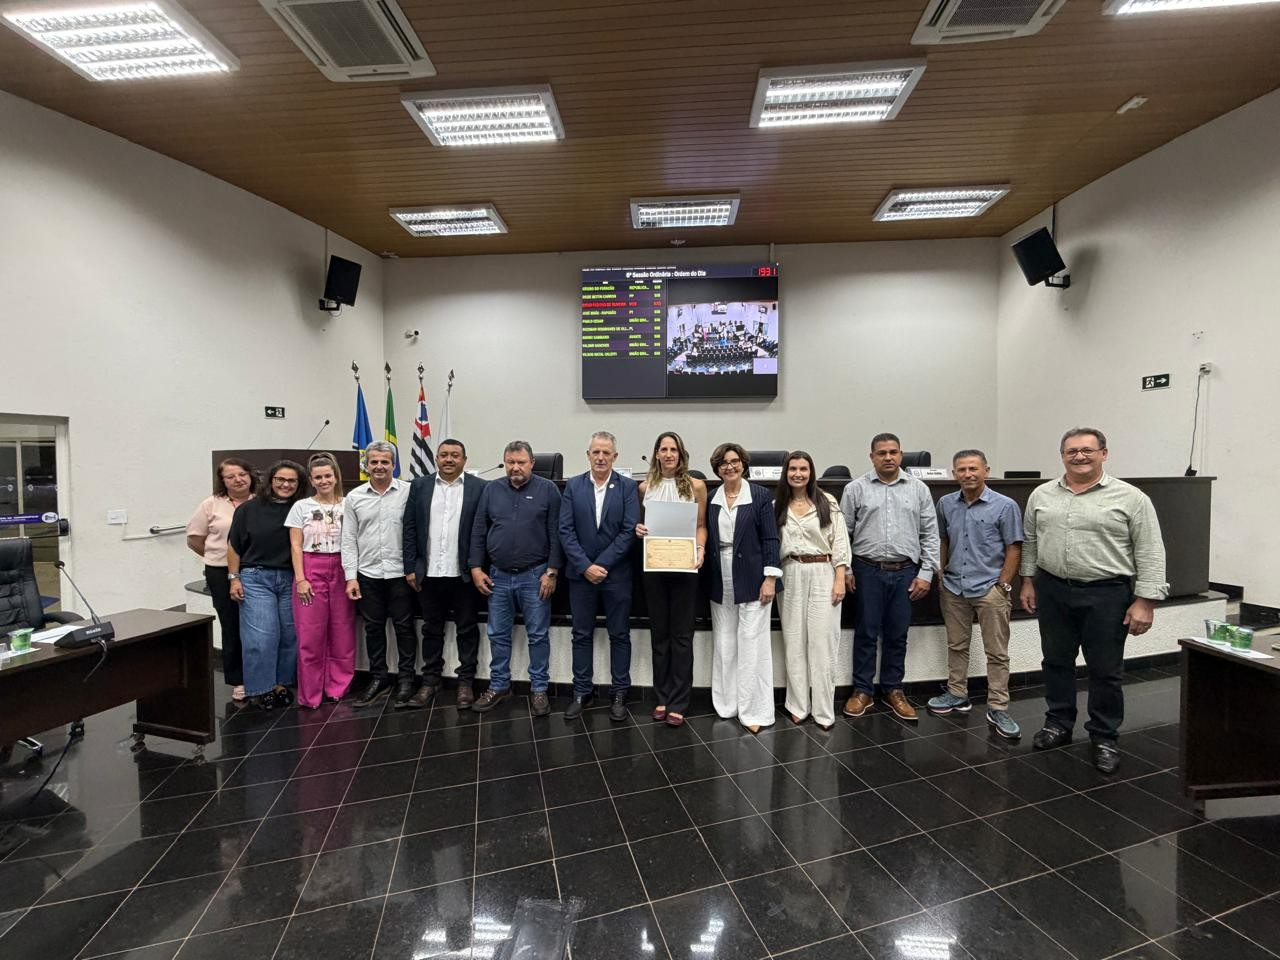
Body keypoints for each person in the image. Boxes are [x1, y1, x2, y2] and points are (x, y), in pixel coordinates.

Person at [1019, 427, 1168, 773]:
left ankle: (1104, 736)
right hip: (1053, 589)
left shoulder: (1132, 498)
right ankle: (1058, 723)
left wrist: (1145, 600)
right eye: (1071, 451)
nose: (1079, 456)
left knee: (1105, 669)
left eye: (1087, 450)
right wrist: (1028, 582)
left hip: (1107, 593)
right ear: (1062, 456)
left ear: (1104, 453)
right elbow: (1030, 542)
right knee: (1056, 661)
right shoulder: (1042, 495)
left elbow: (1150, 550)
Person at [840, 433, 940, 722]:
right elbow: (842, 534)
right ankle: (862, 691)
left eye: (893, 452)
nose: (888, 457)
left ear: (901, 454)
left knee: (897, 635)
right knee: (866, 633)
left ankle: (893, 689)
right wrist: (846, 569)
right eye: (881, 452)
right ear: (871, 456)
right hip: (866, 570)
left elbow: (930, 534)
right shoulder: (855, 488)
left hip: (906, 572)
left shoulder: (918, 489)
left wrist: (926, 573)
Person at [927, 449, 1024, 739]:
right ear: (954, 473)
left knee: (996, 652)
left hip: (989, 589)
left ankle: (998, 706)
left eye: (973, 469)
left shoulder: (1005, 506)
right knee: (957, 645)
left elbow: (1014, 548)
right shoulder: (945, 504)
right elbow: (942, 539)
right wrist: (941, 574)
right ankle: (957, 693)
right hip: (954, 587)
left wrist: (1003, 586)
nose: (968, 474)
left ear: (986, 470)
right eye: (961, 470)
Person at [469, 441, 563, 716]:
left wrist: (552, 571)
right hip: (497, 576)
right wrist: (476, 567)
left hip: (536, 576)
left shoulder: (548, 490)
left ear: (532, 463)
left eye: (521, 462)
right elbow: (478, 531)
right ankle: (499, 686)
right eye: (510, 462)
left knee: (537, 636)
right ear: (504, 462)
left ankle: (539, 689)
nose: (515, 467)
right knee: (498, 635)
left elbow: (558, 535)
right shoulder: (491, 489)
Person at [558, 431, 640, 722]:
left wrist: (601, 565)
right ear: (588, 455)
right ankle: (582, 692)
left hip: (616, 575)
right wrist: (585, 567)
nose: (601, 457)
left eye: (607, 453)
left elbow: (629, 529)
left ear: (615, 457)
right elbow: (565, 531)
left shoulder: (628, 487)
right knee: (581, 635)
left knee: (619, 635)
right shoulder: (573, 486)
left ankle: (619, 693)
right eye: (596, 452)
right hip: (581, 577)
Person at [402, 438, 486, 710]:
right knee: (431, 629)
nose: (449, 460)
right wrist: (410, 567)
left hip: (463, 574)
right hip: (428, 573)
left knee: (467, 629)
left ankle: (465, 683)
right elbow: (410, 528)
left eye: (455, 455)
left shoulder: (480, 488)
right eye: (444, 455)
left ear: (464, 459)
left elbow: (482, 532)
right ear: (436, 458)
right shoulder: (420, 486)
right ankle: (430, 681)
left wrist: (477, 565)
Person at [704, 443, 780, 734]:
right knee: (724, 643)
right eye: (723, 463)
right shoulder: (711, 498)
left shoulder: (759, 495)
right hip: (719, 576)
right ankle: (727, 705)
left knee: (752, 643)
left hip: (754, 577)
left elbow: (771, 539)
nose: (729, 466)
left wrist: (770, 578)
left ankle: (754, 710)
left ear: (743, 464)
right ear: (717, 468)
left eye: (734, 461)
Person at [636, 431, 707, 728]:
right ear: (655, 454)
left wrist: (700, 548)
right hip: (654, 568)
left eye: (673, 449)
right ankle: (662, 697)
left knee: (681, 636)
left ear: (681, 454)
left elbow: (701, 526)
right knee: (660, 634)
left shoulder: (697, 486)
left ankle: (679, 700)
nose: (668, 454)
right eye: (663, 449)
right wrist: (639, 530)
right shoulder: (644, 487)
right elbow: (642, 524)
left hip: (685, 567)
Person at [774, 451, 850, 730]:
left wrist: (840, 576)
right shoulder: (777, 505)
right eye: (792, 468)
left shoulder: (826, 501)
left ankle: (823, 709)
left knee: (822, 644)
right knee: (793, 642)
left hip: (823, 572)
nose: (797, 473)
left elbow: (840, 541)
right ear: (786, 473)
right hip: (790, 572)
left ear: (811, 471)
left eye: (803, 468)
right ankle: (797, 705)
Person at [227, 459, 306, 710]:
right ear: (270, 481)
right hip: (256, 578)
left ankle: (280, 684)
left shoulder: (302, 508)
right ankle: (260, 688)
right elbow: (233, 547)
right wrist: (234, 578)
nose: (285, 484)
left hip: (290, 578)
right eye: (280, 479)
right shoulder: (249, 509)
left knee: (288, 635)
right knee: (261, 638)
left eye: (292, 480)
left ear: (299, 484)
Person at [342, 441, 416, 707]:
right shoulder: (354, 497)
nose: (379, 466)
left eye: (385, 461)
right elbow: (348, 539)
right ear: (366, 465)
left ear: (393, 464)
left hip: (400, 573)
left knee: (404, 628)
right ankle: (379, 677)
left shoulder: (409, 492)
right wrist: (351, 576)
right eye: (374, 462)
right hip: (368, 573)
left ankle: (406, 679)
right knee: (373, 628)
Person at [286, 453, 356, 709]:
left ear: (336, 476)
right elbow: (295, 545)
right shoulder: (301, 507)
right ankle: (310, 693)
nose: (324, 480)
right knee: (310, 635)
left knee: (342, 632)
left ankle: (337, 687)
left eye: (328, 475)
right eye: (318, 477)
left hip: (341, 567)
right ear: (311, 481)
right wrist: (301, 578)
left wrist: (352, 576)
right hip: (311, 567)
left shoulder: (349, 504)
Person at [187, 457, 255, 702]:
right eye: (230, 476)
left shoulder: (260, 502)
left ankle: (262, 674)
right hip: (220, 571)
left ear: (250, 475)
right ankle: (238, 679)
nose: (238, 479)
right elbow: (195, 537)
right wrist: (216, 556)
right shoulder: (211, 504)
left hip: (256, 570)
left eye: (242, 474)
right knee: (231, 622)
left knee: (258, 625)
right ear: (223, 480)